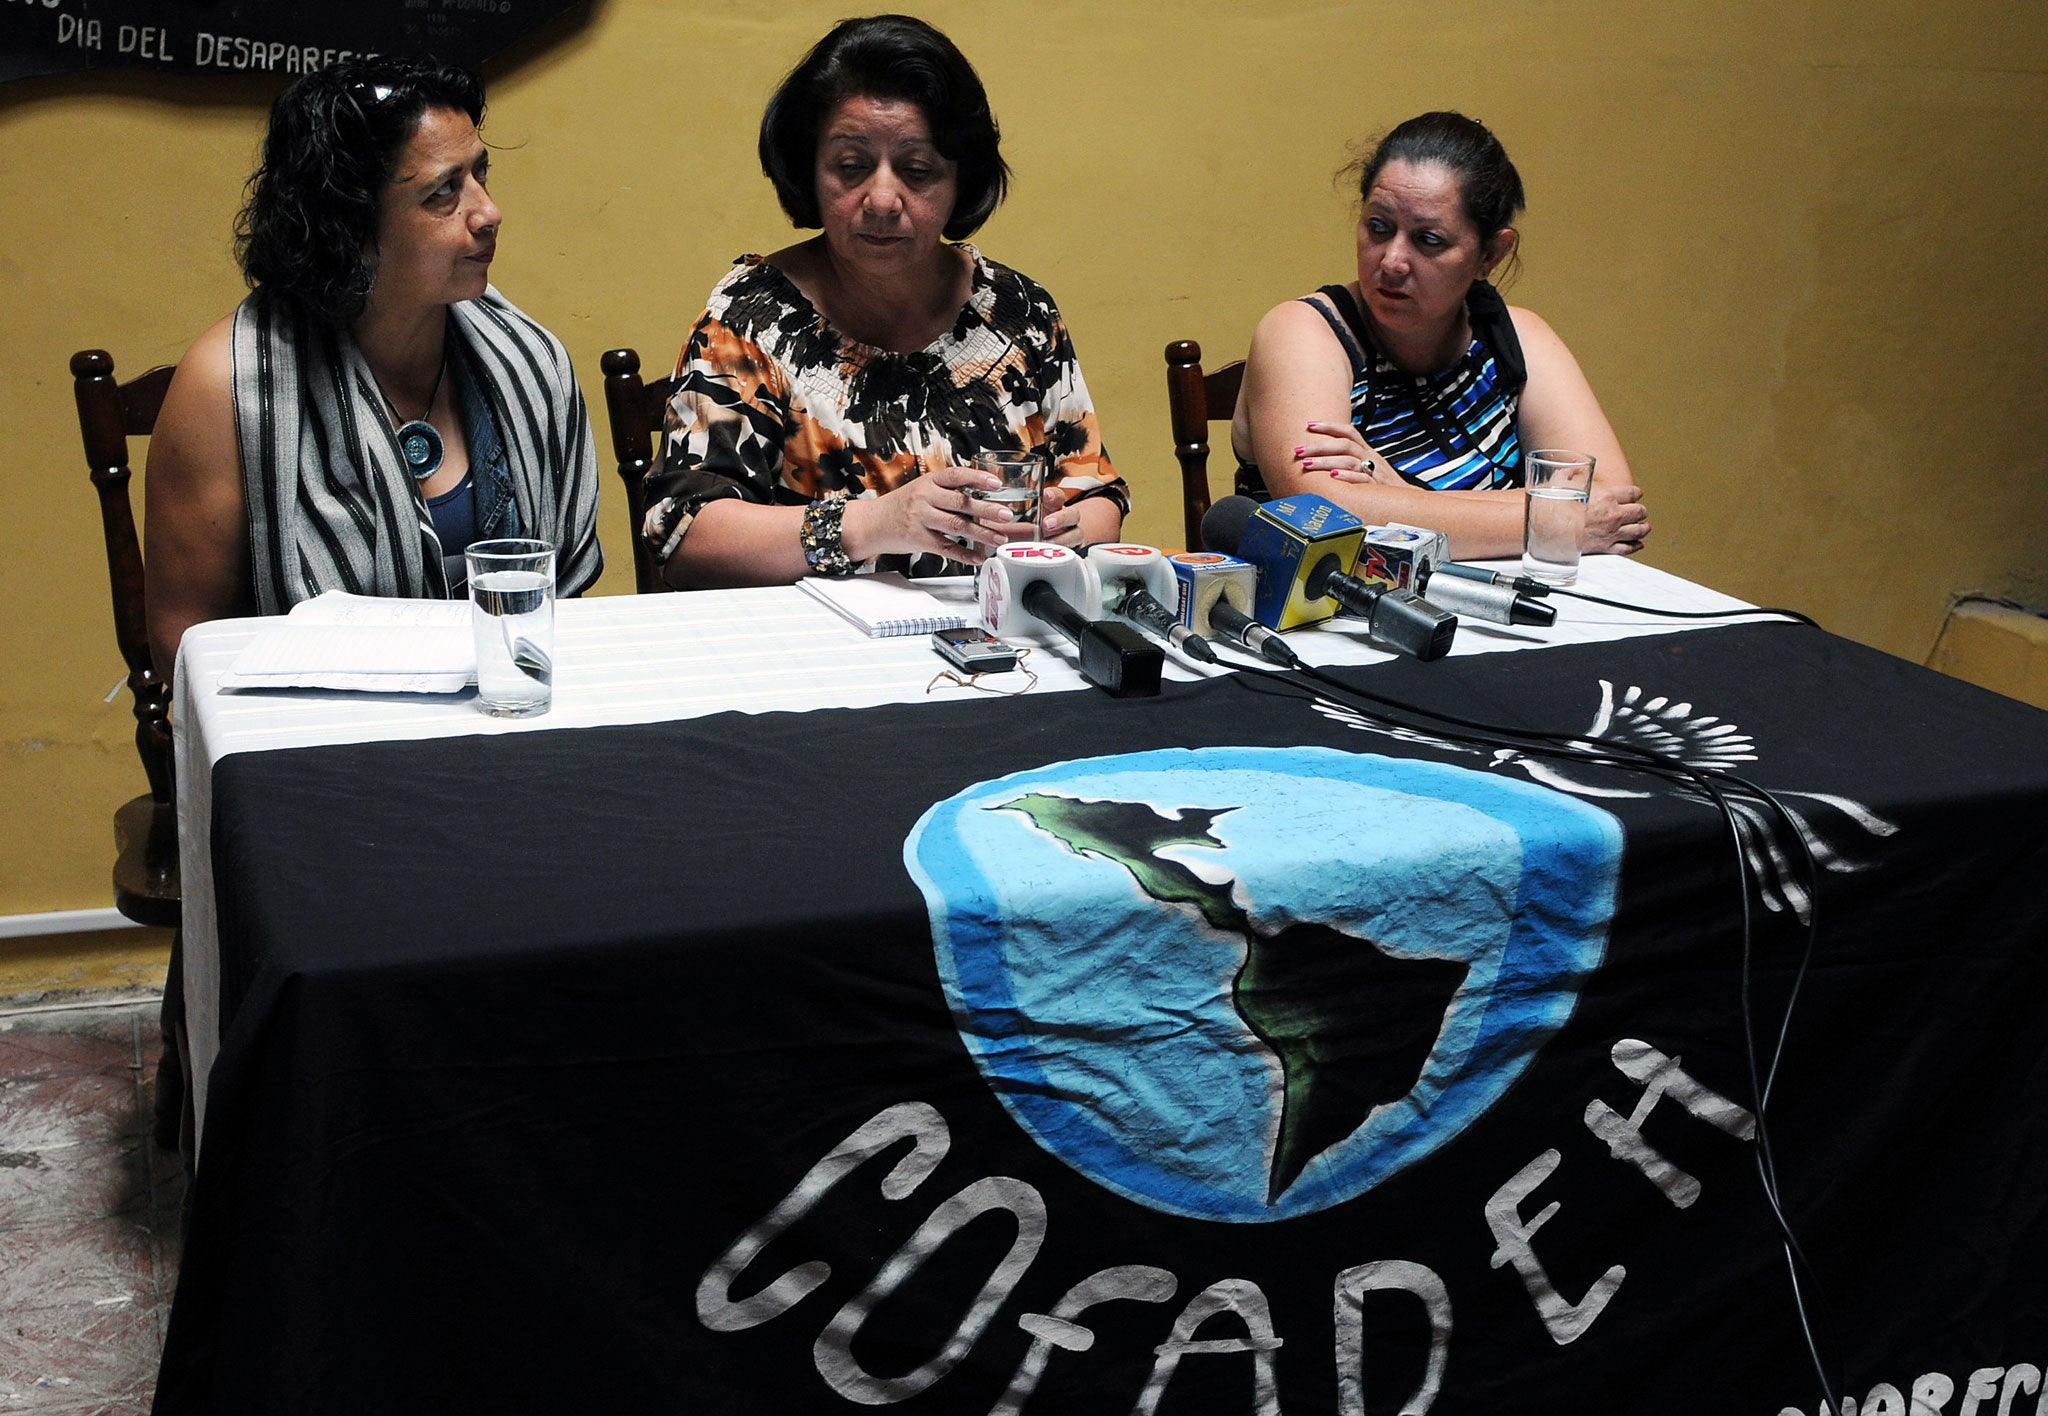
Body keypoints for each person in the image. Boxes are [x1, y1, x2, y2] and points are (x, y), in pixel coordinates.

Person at [145, 56, 603, 679]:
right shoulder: (228, 386)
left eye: (480, 175)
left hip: (507, 709)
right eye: (443, 191)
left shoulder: (529, 360)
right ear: (349, 222)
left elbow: (564, 609)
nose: (488, 211)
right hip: (320, 734)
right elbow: (184, 641)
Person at [641, 14, 1127, 587]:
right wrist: (874, 523)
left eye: (917, 171)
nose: (881, 199)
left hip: (999, 643)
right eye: (850, 167)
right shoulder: (750, 317)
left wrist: (1053, 533)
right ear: (809, 171)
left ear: (959, 181)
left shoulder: (1018, 311)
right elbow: (686, 537)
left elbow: (1097, 495)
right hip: (816, 654)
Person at [1233, 111, 1650, 561]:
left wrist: (1394, 492)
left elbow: (1611, 502)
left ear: (1490, 253)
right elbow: (1324, 513)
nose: (1392, 260)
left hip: (1501, 612)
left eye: (1428, 240)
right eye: (1378, 227)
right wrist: (1551, 520)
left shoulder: (1518, 336)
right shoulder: (1305, 331)